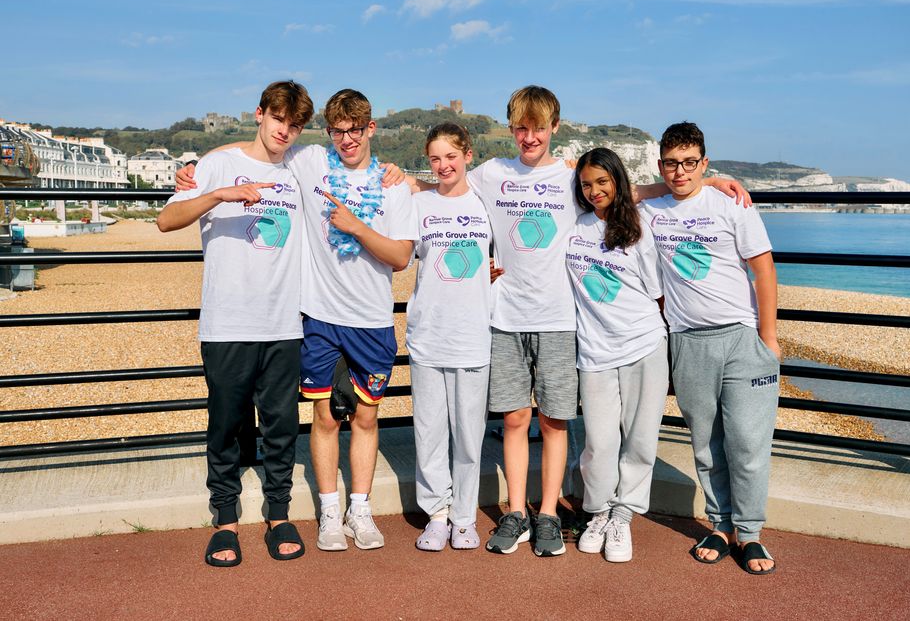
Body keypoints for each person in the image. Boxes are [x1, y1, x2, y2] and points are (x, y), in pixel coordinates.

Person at [405, 85, 747, 557]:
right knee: (513, 419)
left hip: (561, 320)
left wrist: (704, 184)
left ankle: (547, 513)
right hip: (504, 318)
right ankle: (516, 512)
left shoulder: (570, 178)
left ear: (554, 129)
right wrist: (401, 183)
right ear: (511, 129)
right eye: (521, 128)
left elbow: (622, 190)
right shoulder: (492, 173)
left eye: (538, 128)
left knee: (553, 421)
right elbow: (445, 185)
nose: (529, 137)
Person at [175, 88, 416, 552]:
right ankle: (327, 512)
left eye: (355, 130)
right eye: (338, 131)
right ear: (329, 133)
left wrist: (362, 224)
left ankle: (358, 511)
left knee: (364, 417)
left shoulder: (393, 184)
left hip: (370, 317)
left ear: (371, 129)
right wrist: (198, 166)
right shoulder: (309, 161)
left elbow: (402, 257)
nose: (347, 140)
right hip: (319, 317)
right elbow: (261, 148)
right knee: (322, 417)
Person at [157, 80, 314, 567]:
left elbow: (358, 172)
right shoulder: (217, 165)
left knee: (282, 425)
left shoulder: (298, 170)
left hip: (284, 322)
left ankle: (278, 514)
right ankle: (225, 519)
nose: (284, 130)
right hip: (227, 323)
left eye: (294, 124)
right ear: (259, 114)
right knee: (225, 424)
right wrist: (219, 192)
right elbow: (166, 222)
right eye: (277, 119)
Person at [641, 121, 780, 575]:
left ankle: (751, 532)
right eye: (671, 164)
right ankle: (720, 526)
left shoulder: (730, 204)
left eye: (689, 163)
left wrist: (768, 337)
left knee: (748, 442)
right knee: (706, 443)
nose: (680, 172)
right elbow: (611, 193)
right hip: (686, 341)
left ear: (703, 161)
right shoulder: (653, 210)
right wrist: (672, 183)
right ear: (661, 165)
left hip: (741, 338)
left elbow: (763, 269)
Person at [565, 147, 669, 563]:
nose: (594, 191)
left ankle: (623, 515)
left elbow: (659, 297)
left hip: (644, 345)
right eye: (586, 184)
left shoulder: (641, 230)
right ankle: (598, 511)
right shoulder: (573, 228)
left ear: (618, 182)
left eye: (602, 182)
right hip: (594, 351)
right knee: (601, 442)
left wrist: (712, 182)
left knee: (640, 438)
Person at [408, 123, 492, 551]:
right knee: (429, 432)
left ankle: (464, 517)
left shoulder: (486, 200)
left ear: (468, 155)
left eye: (450, 157)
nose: (443, 166)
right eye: (435, 159)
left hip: (473, 335)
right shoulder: (419, 203)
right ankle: (437, 515)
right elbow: (401, 255)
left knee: (468, 434)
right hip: (428, 335)